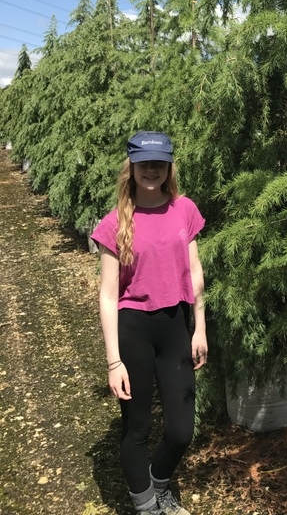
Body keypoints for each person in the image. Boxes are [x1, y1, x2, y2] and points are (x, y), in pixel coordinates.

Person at [93, 131, 207, 515]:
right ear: (132, 166)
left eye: (160, 162)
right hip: (134, 331)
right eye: (144, 162)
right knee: (137, 429)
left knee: (180, 430)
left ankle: (159, 482)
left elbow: (194, 272)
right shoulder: (114, 224)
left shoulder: (184, 210)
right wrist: (114, 361)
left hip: (176, 326)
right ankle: (147, 507)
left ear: (169, 166)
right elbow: (108, 295)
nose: (152, 169)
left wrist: (200, 327)